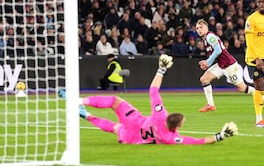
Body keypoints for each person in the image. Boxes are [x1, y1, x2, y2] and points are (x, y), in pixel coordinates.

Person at [65, 54, 238, 144]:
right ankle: (86, 115)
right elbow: (197, 141)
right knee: (115, 128)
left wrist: (161, 70)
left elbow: (153, 90)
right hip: (131, 138)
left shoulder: (160, 115)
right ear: (177, 126)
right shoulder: (170, 138)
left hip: (134, 120)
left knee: (114, 101)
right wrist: (220, 136)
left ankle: (79, 102)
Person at [195, 19, 264, 113]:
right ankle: (210, 105)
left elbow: (218, 50)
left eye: (201, 27)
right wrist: (208, 63)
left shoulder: (210, 37)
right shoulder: (205, 39)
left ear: (206, 27)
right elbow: (216, 53)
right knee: (204, 79)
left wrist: (208, 62)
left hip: (229, 65)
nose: (199, 29)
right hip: (221, 65)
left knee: (242, 88)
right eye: (197, 28)